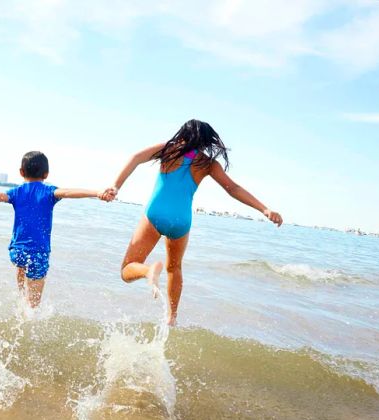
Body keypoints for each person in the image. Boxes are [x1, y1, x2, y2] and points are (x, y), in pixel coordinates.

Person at [106, 119, 283, 326]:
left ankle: (148, 270)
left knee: (127, 269)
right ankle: (171, 317)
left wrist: (115, 186)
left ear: (182, 133)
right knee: (174, 268)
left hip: (156, 213)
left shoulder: (168, 149)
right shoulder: (207, 163)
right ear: (206, 141)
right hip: (181, 220)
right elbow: (232, 188)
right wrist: (265, 209)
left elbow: (136, 158)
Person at [0, 151, 113, 307]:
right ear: (46, 174)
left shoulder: (16, 192)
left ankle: (20, 298)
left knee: (22, 271)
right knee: (33, 305)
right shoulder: (49, 192)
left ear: (21, 172)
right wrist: (97, 193)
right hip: (39, 253)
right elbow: (69, 192)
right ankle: (27, 313)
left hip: (17, 251)